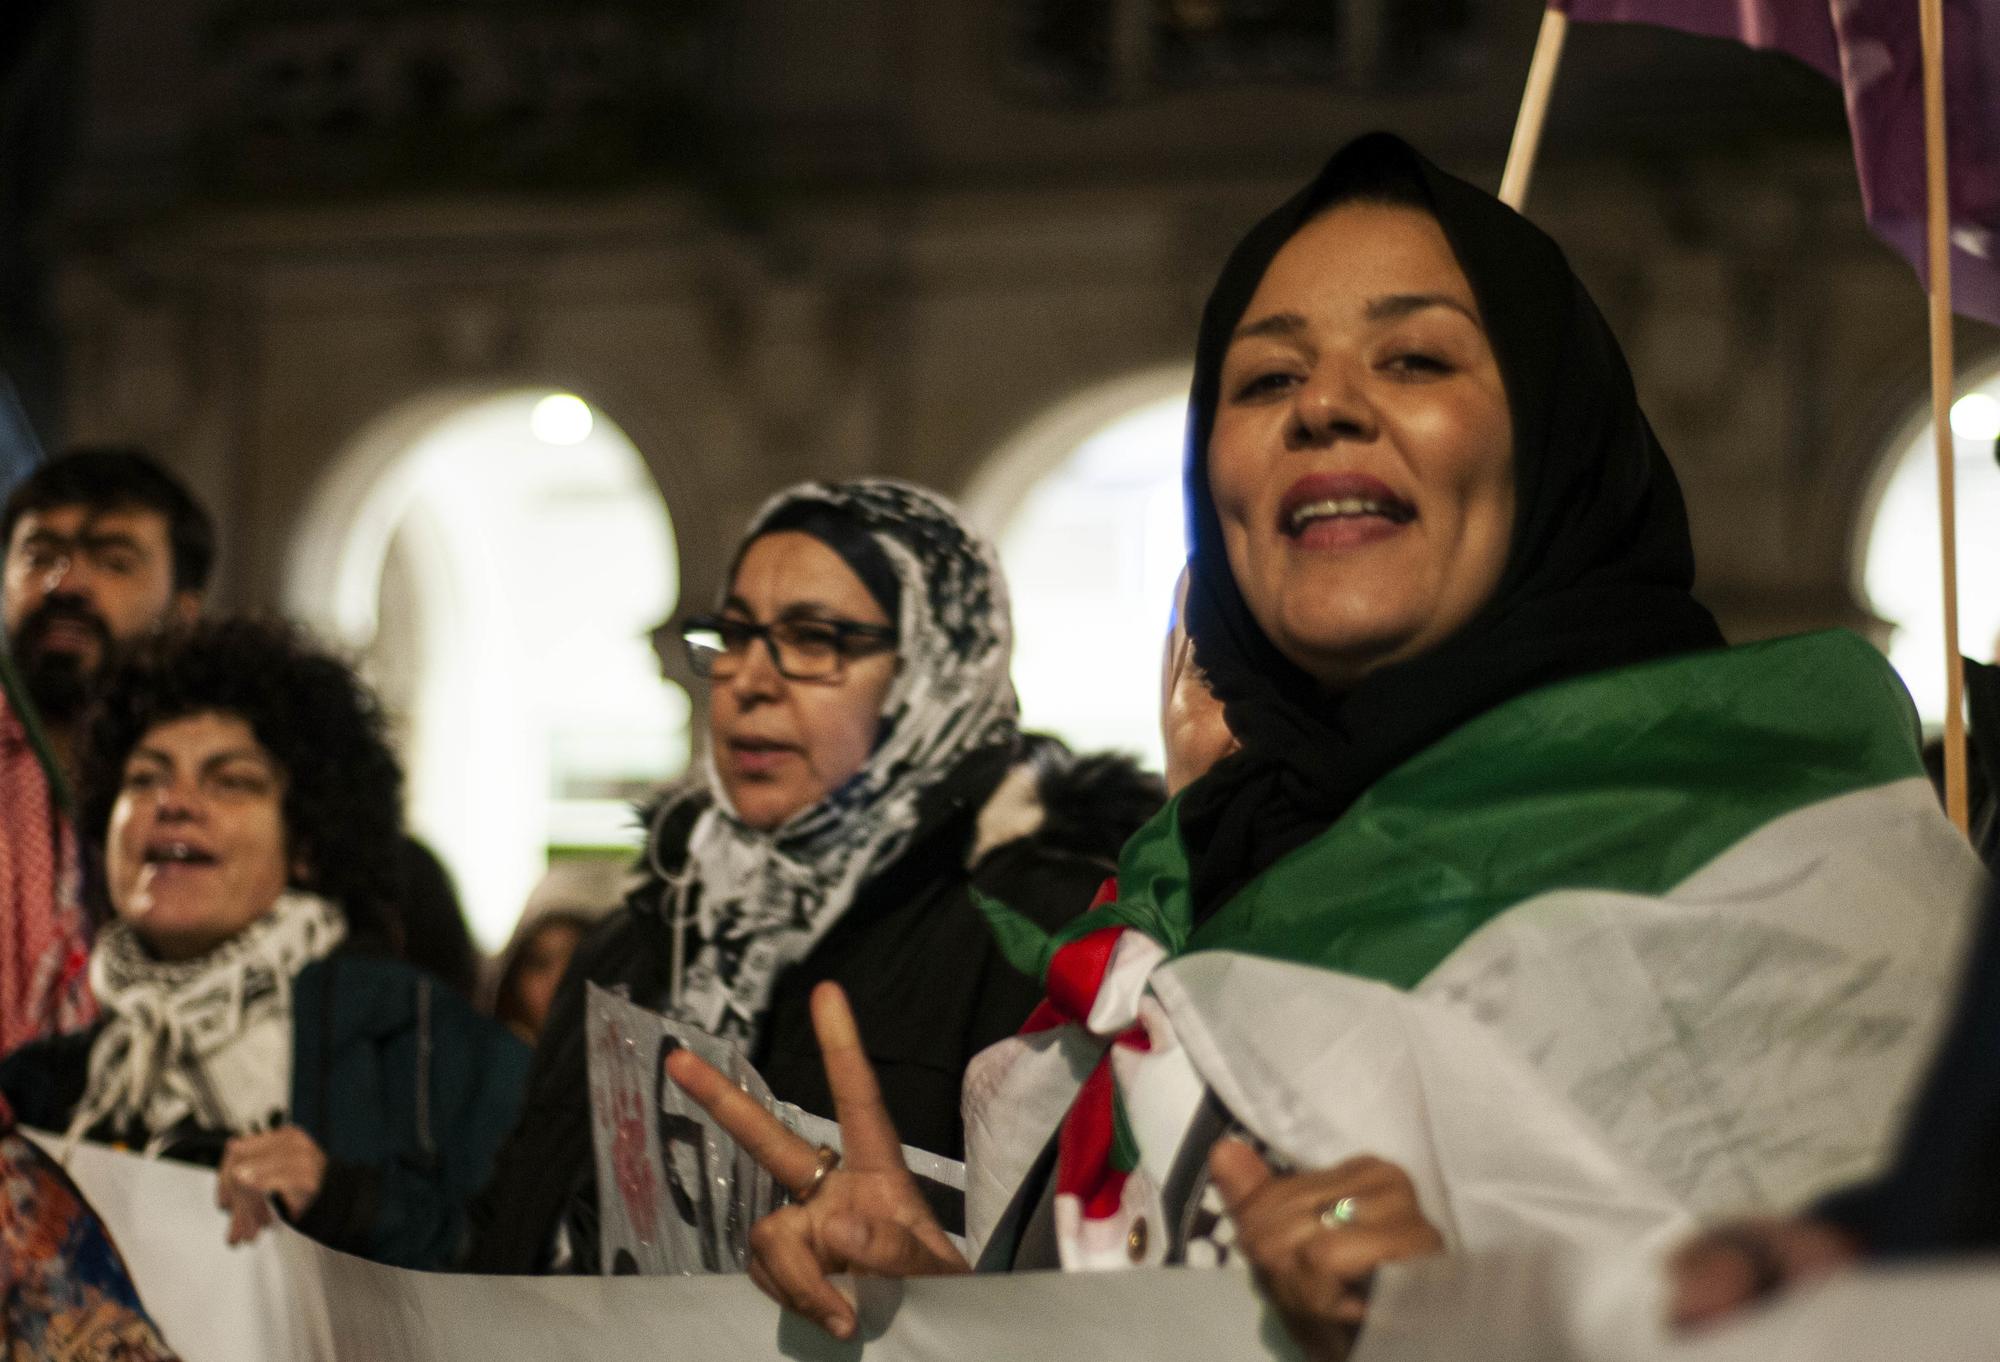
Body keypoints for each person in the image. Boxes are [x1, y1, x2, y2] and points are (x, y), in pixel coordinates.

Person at [668, 132, 1982, 1357]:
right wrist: (961, 1305)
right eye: (1266, 377)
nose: (1326, 409)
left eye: (1415, 359)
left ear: (1556, 444)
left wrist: (1464, 1326)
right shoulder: (1183, 900)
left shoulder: (1774, 847)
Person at [467, 478, 1162, 1274]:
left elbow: (1082, 1291)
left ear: (933, 668)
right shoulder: (634, 947)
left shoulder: (1045, 937)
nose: (749, 681)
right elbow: (509, 1239)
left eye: (814, 639)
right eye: (733, 635)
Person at [0, 619, 530, 1270]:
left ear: (305, 845)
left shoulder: (425, 1047)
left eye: (231, 781)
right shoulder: (43, 1087)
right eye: (143, 778)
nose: (174, 803)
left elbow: (527, 1279)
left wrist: (346, 1201)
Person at [0, 448, 213, 1056]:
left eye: (114, 561)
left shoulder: (222, 787)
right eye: (39, 555)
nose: (66, 584)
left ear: (184, 610)